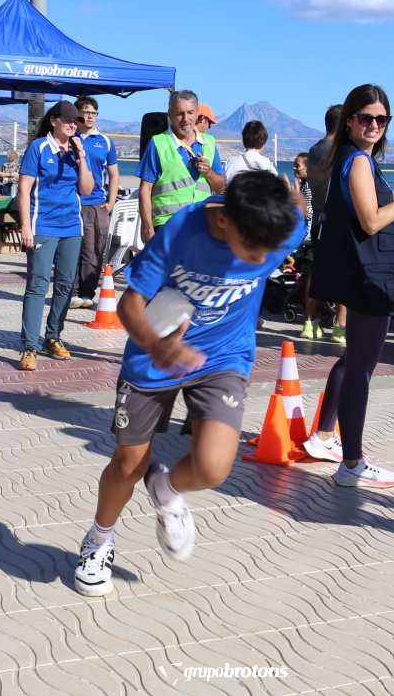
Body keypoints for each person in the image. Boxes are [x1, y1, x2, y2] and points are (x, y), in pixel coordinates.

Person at [71, 171, 305, 596]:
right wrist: (156, 346)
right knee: (128, 464)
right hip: (155, 357)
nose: (262, 260)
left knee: (213, 468)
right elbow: (129, 304)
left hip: (224, 357)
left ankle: (167, 488)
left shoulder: (277, 231)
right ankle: (99, 539)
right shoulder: (183, 231)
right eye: (253, 248)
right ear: (224, 221)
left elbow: (299, 216)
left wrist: (294, 198)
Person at [306, 84, 394, 487]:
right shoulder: (358, 162)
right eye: (366, 117)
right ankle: (351, 463)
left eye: (381, 119)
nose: (374, 125)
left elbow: (373, 213)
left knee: (352, 361)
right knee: (360, 371)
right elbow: (371, 222)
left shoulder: (355, 159)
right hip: (369, 278)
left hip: (363, 275)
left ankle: (325, 435)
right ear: (349, 120)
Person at [17, 100, 93, 371]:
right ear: (54, 121)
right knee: (37, 285)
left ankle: (53, 336)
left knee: (65, 285)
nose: (73, 124)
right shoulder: (38, 148)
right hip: (43, 226)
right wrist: (26, 226)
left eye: (76, 121)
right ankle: (29, 346)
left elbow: (87, 189)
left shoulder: (76, 150)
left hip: (71, 227)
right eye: (68, 120)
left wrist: (81, 157)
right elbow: (24, 190)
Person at [137, 90, 225, 243]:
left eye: (190, 112)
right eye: (179, 114)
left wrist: (209, 173)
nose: (185, 119)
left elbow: (221, 188)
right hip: (167, 226)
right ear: (170, 115)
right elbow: (145, 189)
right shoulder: (158, 143)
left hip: (202, 227)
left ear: (197, 114)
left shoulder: (210, 143)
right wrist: (148, 229)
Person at [302, 104, 347, 342]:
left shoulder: (314, 150)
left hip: (319, 218)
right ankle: (340, 326)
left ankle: (310, 322)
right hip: (338, 219)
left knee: (316, 271)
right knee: (345, 272)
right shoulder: (341, 150)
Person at [72, 96, 120, 309]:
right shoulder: (70, 138)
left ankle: (87, 293)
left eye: (94, 113)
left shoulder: (105, 141)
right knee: (74, 248)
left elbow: (114, 174)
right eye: (86, 112)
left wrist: (111, 202)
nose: (90, 116)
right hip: (73, 202)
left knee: (95, 249)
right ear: (78, 114)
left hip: (97, 203)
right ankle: (72, 292)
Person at [293, 153, 313, 238]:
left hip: (307, 231)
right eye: (294, 165)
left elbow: (309, 212)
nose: (294, 168)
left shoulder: (308, 186)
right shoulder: (304, 184)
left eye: (297, 166)